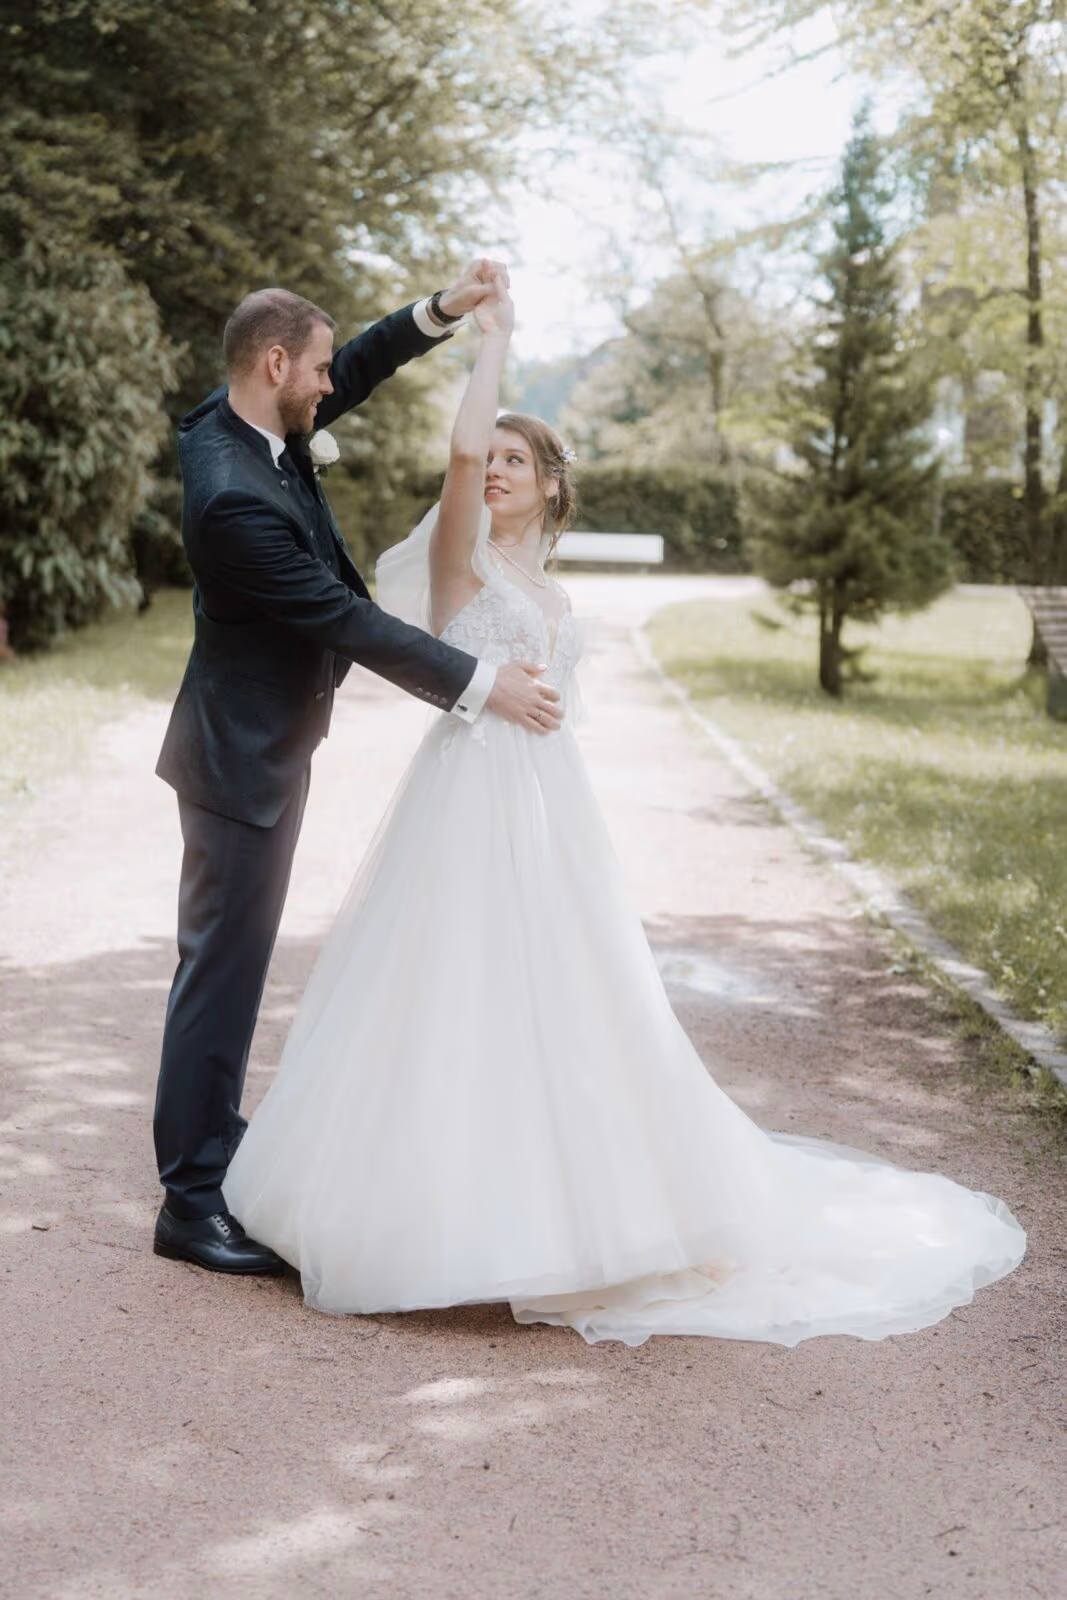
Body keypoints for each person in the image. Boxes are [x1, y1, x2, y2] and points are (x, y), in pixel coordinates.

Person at [221, 280, 1025, 1346]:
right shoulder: (461, 563)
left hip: (550, 810)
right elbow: (457, 460)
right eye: (491, 458)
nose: (495, 467)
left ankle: (579, 1205)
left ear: (551, 488)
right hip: (464, 794)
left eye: (517, 460)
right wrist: (486, 350)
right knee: (445, 984)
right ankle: (428, 1204)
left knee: (568, 993)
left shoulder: (553, 600)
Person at [153, 262, 564, 1275]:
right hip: (239, 756)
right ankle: (191, 1199)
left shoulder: (246, 417)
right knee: (221, 970)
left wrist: (440, 311)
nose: (332, 387)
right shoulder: (229, 498)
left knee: (230, 965)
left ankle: (214, 1145)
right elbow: (346, 618)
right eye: (320, 370)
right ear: (276, 363)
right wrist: (480, 682)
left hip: (266, 737)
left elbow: (359, 365)